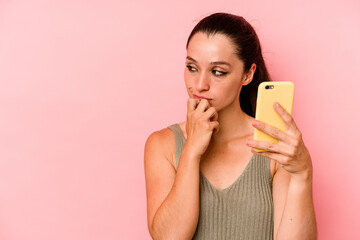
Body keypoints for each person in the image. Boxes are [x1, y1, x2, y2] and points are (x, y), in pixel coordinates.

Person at [144, 12, 317, 240]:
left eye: (217, 72)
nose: (199, 85)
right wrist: (191, 151)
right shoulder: (162, 145)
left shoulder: (273, 146)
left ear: (248, 74)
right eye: (192, 67)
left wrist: (303, 174)